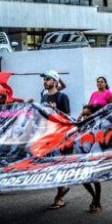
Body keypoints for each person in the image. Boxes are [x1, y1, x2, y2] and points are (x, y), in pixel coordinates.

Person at [40, 70, 72, 210]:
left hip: (59, 136)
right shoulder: (43, 98)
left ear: (55, 81)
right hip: (48, 135)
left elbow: (67, 117)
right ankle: (62, 190)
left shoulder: (62, 96)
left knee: (58, 164)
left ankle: (60, 197)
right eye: (44, 80)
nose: (45, 82)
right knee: (52, 165)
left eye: (48, 79)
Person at [78, 104, 104, 213]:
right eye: (83, 115)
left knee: (95, 179)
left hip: (94, 156)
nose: (85, 117)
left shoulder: (99, 126)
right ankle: (94, 197)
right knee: (83, 179)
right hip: (83, 156)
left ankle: (97, 201)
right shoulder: (82, 127)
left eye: (87, 115)